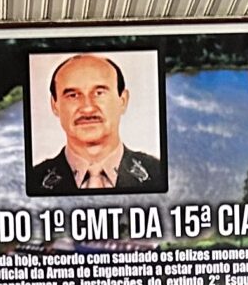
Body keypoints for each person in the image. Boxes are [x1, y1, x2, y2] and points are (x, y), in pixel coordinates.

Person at [25, 53, 164, 194]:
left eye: (99, 93)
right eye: (73, 95)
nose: (87, 108)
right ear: (54, 105)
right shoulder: (32, 181)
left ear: (123, 100)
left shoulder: (158, 173)